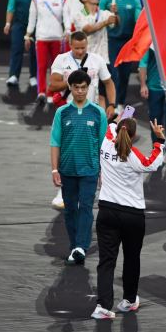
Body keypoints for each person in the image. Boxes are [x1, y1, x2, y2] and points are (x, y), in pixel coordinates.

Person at [91, 117, 166, 319]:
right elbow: (153, 163)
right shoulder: (134, 156)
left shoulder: (106, 143)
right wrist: (159, 140)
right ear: (133, 136)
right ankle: (129, 301)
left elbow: (110, 126)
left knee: (106, 261)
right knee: (132, 259)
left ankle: (103, 307)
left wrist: (117, 118)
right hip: (132, 215)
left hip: (107, 212)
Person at [49, 31, 116, 209]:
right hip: (68, 110)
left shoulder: (97, 59)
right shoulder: (61, 60)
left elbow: (108, 82)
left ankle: (98, 184)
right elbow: (53, 85)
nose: (80, 51)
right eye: (77, 48)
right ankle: (62, 189)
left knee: (97, 146)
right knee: (66, 147)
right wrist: (73, 80)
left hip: (92, 110)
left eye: (83, 48)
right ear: (70, 45)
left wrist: (112, 104)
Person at [50, 69, 108, 265]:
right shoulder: (62, 112)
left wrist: (103, 171)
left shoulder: (98, 112)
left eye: (84, 87)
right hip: (67, 169)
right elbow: (55, 141)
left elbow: (103, 144)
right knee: (69, 211)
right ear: (70, 88)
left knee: (85, 207)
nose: (80, 91)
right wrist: (54, 169)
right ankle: (75, 246)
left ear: (88, 87)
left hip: (90, 169)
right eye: (77, 87)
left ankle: (81, 247)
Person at [99, 0, 142, 112]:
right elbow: (98, 18)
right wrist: (109, 13)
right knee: (113, 73)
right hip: (110, 41)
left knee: (124, 75)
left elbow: (138, 19)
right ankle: (114, 103)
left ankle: (121, 102)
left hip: (127, 42)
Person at [25, 0, 70, 104]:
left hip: (57, 38)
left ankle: (52, 93)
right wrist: (28, 35)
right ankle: (41, 92)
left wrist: (67, 30)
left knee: (55, 68)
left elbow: (67, 18)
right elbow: (32, 20)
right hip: (41, 38)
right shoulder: (36, 0)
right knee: (42, 66)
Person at [74, 0, 118, 109]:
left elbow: (115, 22)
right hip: (86, 60)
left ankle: (102, 123)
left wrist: (115, 14)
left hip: (103, 59)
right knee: (87, 93)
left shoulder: (104, 13)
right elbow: (87, 29)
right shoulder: (79, 15)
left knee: (102, 94)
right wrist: (106, 22)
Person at [4, 0, 43, 87]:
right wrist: (7, 23)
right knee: (17, 48)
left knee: (35, 51)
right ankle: (13, 75)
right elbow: (11, 7)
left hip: (37, 25)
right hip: (19, 24)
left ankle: (33, 77)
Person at [139, 49, 166, 163]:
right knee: (155, 120)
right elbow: (143, 64)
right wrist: (143, 85)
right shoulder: (151, 43)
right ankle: (158, 150)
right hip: (154, 88)